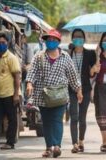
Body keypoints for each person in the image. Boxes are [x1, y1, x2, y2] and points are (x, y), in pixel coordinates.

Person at [25, 29, 83, 158]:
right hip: (43, 95)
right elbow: (32, 71)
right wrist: (29, 83)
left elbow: (72, 75)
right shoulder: (39, 56)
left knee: (57, 119)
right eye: (48, 40)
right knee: (46, 121)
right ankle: (48, 147)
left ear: (58, 42)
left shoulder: (65, 57)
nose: (50, 42)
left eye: (53, 40)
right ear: (45, 42)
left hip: (60, 95)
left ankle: (57, 146)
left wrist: (78, 90)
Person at [68, 29, 97, 153]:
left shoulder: (90, 53)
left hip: (85, 89)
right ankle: (74, 143)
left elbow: (92, 74)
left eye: (80, 37)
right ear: (72, 39)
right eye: (75, 37)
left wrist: (96, 64)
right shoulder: (67, 54)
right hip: (71, 89)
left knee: (82, 117)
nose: (78, 39)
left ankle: (81, 141)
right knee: (73, 116)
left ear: (84, 39)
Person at [21, 35, 33, 105]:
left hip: (23, 74)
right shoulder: (11, 46)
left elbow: (29, 64)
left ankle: (26, 101)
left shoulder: (27, 47)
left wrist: (23, 68)